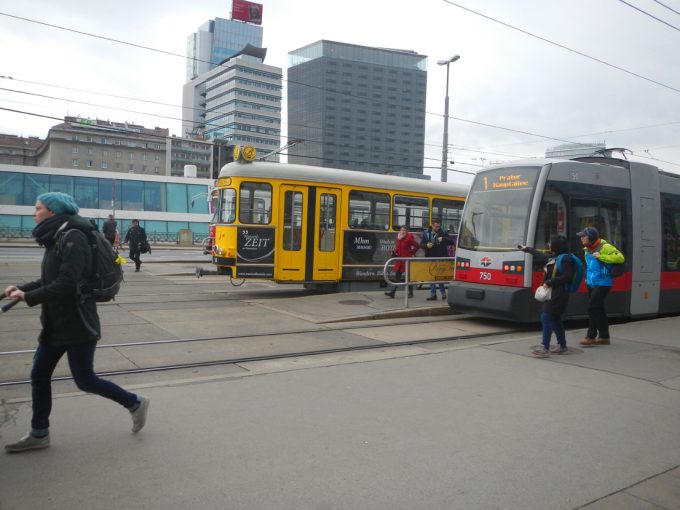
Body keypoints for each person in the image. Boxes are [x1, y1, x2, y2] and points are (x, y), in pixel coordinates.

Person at [3, 192, 149, 453]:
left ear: (53, 212)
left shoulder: (73, 237)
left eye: (38, 208)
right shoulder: (56, 237)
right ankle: (39, 433)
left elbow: (68, 284)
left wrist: (28, 296)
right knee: (39, 374)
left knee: (85, 380)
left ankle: (135, 403)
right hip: (57, 321)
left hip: (78, 322)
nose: (33, 213)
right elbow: (51, 280)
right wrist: (20, 289)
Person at [519, 235, 574, 357]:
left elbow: (568, 276)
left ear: (557, 245)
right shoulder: (555, 257)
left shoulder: (565, 259)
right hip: (555, 293)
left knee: (546, 317)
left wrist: (550, 282)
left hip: (559, 294)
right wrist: (527, 249)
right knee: (555, 319)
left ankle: (544, 347)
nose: (549, 244)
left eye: (551, 242)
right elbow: (541, 256)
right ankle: (562, 345)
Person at [577, 226, 625, 346]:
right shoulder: (586, 249)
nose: (581, 238)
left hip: (603, 283)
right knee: (599, 309)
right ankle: (604, 337)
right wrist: (586, 277)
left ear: (591, 237)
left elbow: (620, 258)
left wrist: (601, 256)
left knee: (592, 308)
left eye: (584, 236)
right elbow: (588, 266)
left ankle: (591, 336)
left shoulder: (605, 247)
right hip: (591, 283)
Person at [421, 218, 453, 301]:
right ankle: (433, 294)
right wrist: (426, 246)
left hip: (440, 257)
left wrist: (443, 239)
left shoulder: (443, 233)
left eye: (439, 226)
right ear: (432, 225)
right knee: (431, 276)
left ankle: (443, 293)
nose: (437, 228)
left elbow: (451, 242)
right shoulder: (426, 233)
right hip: (430, 257)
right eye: (436, 226)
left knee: (439, 276)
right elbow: (421, 244)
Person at [384, 225, 420, 298]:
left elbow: (417, 246)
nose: (402, 231)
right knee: (397, 277)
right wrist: (394, 252)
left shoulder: (409, 237)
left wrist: (411, 253)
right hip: (399, 260)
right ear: (400, 231)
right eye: (401, 230)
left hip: (406, 260)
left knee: (408, 277)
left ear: (406, 232)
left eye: (404, 230)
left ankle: (411, 293)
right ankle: (392, 292)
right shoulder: (398, 238)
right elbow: (398, 247)